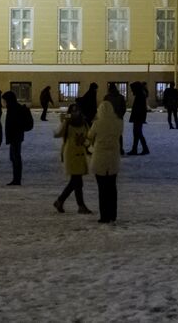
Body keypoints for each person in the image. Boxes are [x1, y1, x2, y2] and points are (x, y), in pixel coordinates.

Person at [89, 87, 125, 224]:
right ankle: (113, 214)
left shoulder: (97, 123)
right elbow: (120, 134)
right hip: (113, 158)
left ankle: (104, 216)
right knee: (112, 188)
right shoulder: (118, 122)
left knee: (102, 190)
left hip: (100, 159)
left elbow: (90, 135)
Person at [54, 106, 91, 214]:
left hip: (80, 153)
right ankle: (80, 205)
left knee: (76, 181)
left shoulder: (84, 123)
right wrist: (64, 121)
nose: (76, 113)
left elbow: (89, 137)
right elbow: (58, 133)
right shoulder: (67, 123)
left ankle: (61, 201)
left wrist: (85, 142)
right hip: (70, 154)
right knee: (77, 180)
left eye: (77, 110)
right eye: (73, 111)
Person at [2, 91, 33, 185]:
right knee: (14, 157)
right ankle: (16, 178)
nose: (4, 102)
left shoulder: (14, 108)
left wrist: (14, 131)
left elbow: (14, 123)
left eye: (5, 100)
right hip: (15, 136)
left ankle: (17, 179)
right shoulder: (13, 107)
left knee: (15, 157)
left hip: (15, 136)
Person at [127, 82, 150, 156]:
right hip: (138, 118)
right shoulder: (140, 95)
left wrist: (138, 117)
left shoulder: (140, 95)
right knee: (137, 134)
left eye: (132, 89)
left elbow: (140, 108)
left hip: (138, 118)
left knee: (138, 133)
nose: (131, 91)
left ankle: (144, 148)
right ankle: (135, 149)